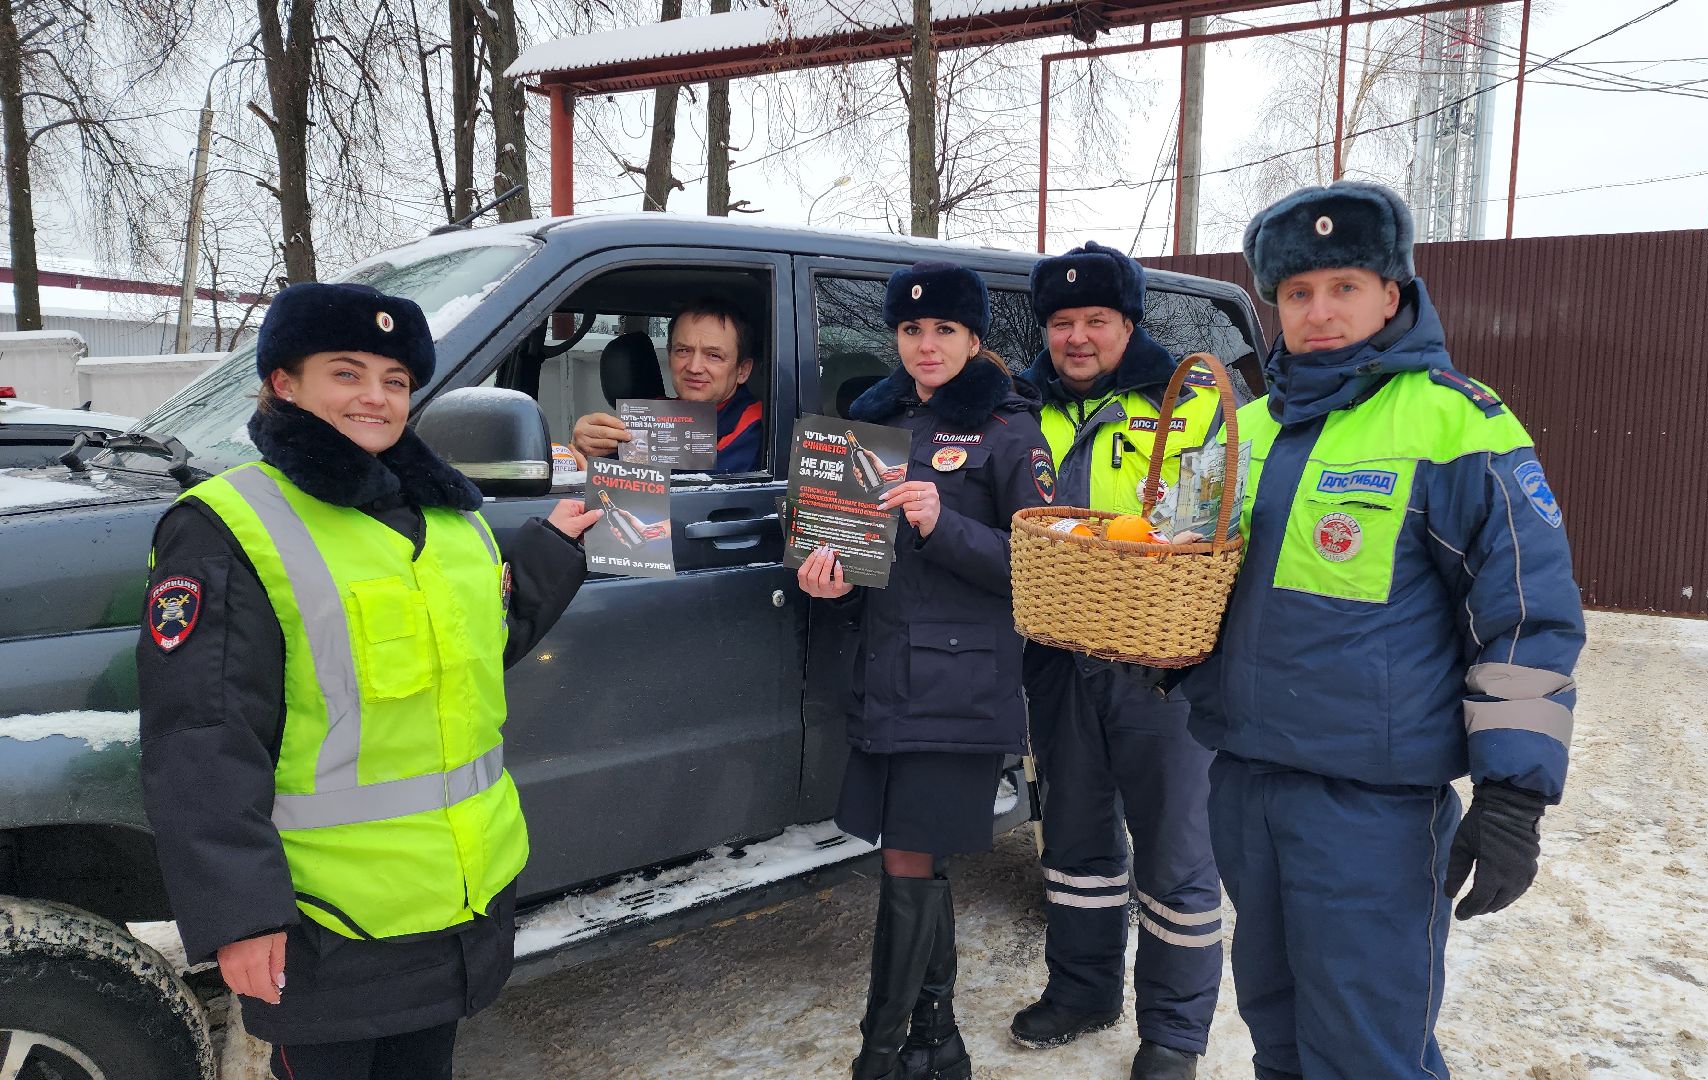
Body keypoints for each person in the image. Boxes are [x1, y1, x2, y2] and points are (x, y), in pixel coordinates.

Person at [137, 282, 601, 1080]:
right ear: (285, 382)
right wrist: (242, 917)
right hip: (330, 925)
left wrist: (550, 550)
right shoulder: (231, 524)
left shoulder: (450, 519)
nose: (374, 398)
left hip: (456, 900)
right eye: (345, 374)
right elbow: (201, 737)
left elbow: (470, 653)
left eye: (394, 380)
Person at [1193, 181, 1585, 1079]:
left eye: (1343, 287)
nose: (1319, 311)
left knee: (1369, 1048)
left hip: (1369, 809)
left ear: (1392, 293)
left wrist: (1514, 793)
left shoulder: (1458, 422)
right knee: (1277, 1026)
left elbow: (1528, 617)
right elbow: (1199, 586)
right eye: (1297, 293)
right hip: (1247, 783)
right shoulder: (1243, 430)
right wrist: (1167, 658)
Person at [793, 261, 1054, 1080]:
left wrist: (946, 525)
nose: (926, 344)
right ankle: (937, 1041)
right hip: (884, 675)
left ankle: (882, 1051)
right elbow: (862, 564)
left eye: (943, 329)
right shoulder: (867, 426)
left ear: (975, 339)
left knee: (909, 856)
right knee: (913, 857)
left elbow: (1042, 573)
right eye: (911, 330)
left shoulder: (1011, 431)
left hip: (958, 684)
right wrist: (825, 582)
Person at [1009, 241, 1225, 1080]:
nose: (1077, 337)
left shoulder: (1191, 405)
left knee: (1175, 850)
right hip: (1057, 653)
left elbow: (1222, 514)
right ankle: (1083, 990)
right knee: (1072, 837)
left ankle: (1174, 1032)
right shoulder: (1022, 406)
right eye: (1061, 322)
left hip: (1157, 663)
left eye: (1096, 319)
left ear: (1129, 323)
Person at [569, 297, 764, 472]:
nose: (694, 367)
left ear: (743, 370)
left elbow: (705, 496)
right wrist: (584, 449)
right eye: (683, 350)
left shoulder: (757, 425)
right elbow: (600, 468)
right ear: (670, 356)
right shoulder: (650, 416)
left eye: (714, 355)